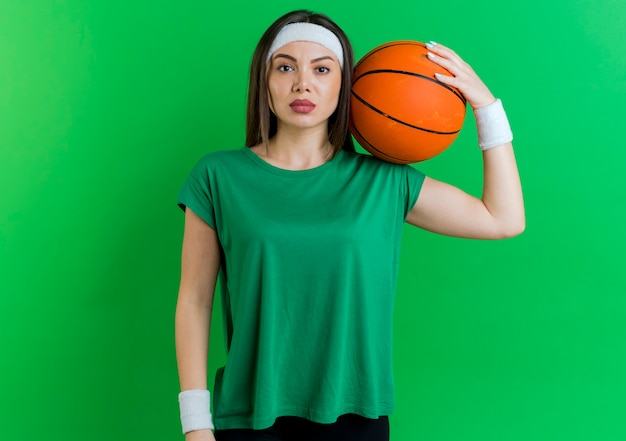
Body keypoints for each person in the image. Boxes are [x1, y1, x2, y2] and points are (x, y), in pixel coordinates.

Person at [174, 9, 524, 441]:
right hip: (248, 420)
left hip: (356, 419)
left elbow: (503, 218)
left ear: (345, 84)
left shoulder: (383, 180)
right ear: (264, 82)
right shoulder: (218, 177)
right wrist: (195, 423)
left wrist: (486, 107)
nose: (303, 83)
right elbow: (194, 301)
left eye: (322, 69)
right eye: (285, 67)